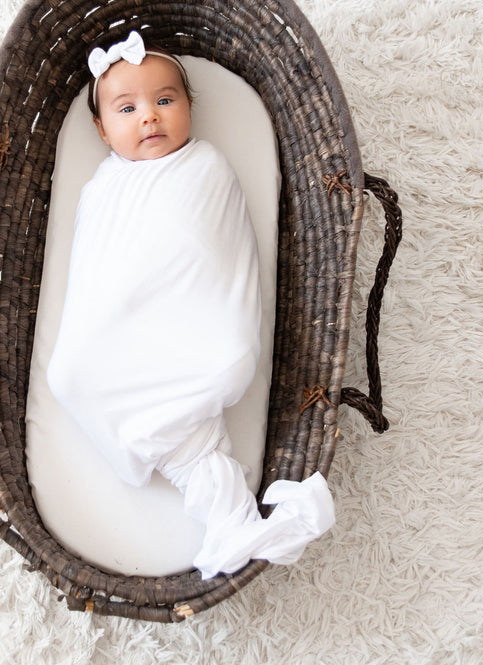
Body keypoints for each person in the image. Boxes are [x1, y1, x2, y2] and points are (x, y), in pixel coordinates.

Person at [46, 30, 334, 579]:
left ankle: (215, 492)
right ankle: (226, 508)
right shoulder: (101, 189)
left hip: (195, 322)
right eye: (127, 109)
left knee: (211, 359)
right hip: (119, 327)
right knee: (70, 372)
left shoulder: (206, 168)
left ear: (190, 107)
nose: (149, 117)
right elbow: (96, 273)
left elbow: (207, 249)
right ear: (103, 131)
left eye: (165, 100)